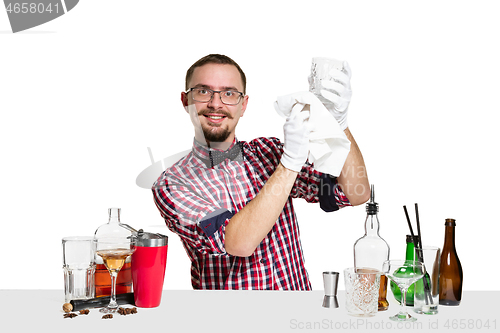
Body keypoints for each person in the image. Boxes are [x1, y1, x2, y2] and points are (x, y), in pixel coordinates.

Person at [152, 54, 369, 290]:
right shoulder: (172, 184)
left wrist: (339, 125)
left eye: (229, 93)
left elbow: (354, 194)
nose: (216, 104)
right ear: (186, 100)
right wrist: (289, 165)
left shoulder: (268, 152)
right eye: (203, 92)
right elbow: (238, 243)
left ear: (243, 104)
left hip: (298, 316)